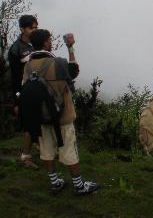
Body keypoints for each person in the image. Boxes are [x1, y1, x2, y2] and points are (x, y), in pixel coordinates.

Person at [23, 29, 99, 195]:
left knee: (47, 151)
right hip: (62, 116)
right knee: (69, 151)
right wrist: (70, 47)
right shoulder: (57, 63)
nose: (51, 42)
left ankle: (55, 182)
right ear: (44, 43)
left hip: (41, 116)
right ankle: (79, 186)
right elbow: (74, 72)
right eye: (49, 40)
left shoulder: (28, 66)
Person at [8, 14, 38, 169]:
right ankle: (25, 157)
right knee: (30, 124)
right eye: (31, 28)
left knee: (40, 119)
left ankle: (40, 146)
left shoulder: (35, 44)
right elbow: (14, 79)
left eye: (36, 27)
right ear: (22, 29)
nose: (34, 30)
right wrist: (17, 100)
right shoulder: (16, 49)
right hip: (25, 91)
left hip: (38, 89)